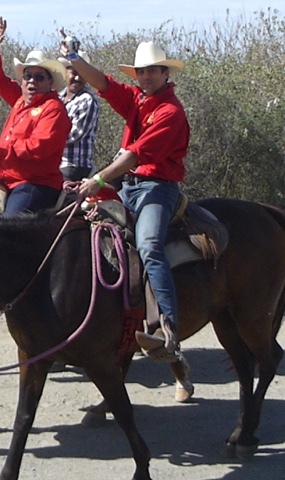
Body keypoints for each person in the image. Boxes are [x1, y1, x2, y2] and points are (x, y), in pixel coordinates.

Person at [64, 39, 190, 360]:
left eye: (152, 71)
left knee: (149, 245)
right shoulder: (137, 99)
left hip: (157, 188)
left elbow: (135, 154)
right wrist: (75, 58)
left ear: (165, 73)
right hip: (129, 187)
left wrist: (98, 180)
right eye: (141, 71)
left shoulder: (171, 112)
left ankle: (168, 328)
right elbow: (103, 84)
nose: (146, 76)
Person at [0, 17, 71, 216]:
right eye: (27, 76)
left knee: (7, 227)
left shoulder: (53, 109)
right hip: (4, 178)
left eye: (39, 77)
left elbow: (37, 148)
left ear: (50, 83)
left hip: (35, 184)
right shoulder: (20, 100)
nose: (31, 81)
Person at [57, 50, 100, 182]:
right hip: (55, 163)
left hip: (73, 165)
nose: (77, 78)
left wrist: (46, 141)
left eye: (82, 74)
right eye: (74, 73)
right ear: (66, 73)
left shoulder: (87, 100)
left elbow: (74, 135)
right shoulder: (57, 98)